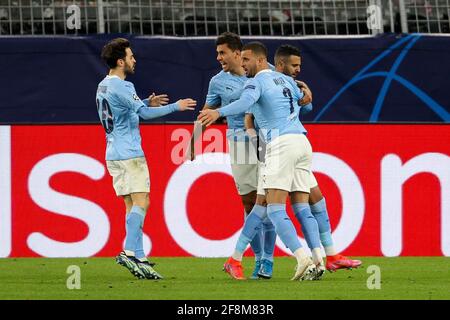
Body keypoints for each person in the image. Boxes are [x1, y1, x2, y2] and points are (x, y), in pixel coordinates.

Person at [198, 42, 319, 281]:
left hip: (268, 141)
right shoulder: (217, 82)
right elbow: (206, 111)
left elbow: (296, 104)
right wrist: (193, 140)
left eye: (223, 53)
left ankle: (267, 261)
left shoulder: (264, 76)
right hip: (243, 142)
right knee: (252, 202)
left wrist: (307, 98)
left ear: (238, 53)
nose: (219, 57)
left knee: (267, 202)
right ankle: (239, 258)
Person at [246, 45, 362, 276]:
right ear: (279, 64)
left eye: (300, 66)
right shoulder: (259, 80)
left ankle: (325, 257)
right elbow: (248, 116)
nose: (298, 70)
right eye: (295, 65)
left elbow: (307, 105)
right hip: (273, 148)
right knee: (264, 206)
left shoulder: (286, 83)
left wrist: (306, 92)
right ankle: (255, 258)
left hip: (292, 146)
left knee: (312, 200)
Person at [96, 38, 196, 280]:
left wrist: (143, 102)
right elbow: (144, 114)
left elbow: (128, 109)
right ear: (120, 62)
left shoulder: (103, 86)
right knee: (143, 202)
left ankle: (140, 259)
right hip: (130, 153)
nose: (134, 60)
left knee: (131, 205)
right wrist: (176, 106)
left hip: (112, 152)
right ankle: (129, 252)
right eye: (130, 57)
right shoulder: (124, 86)